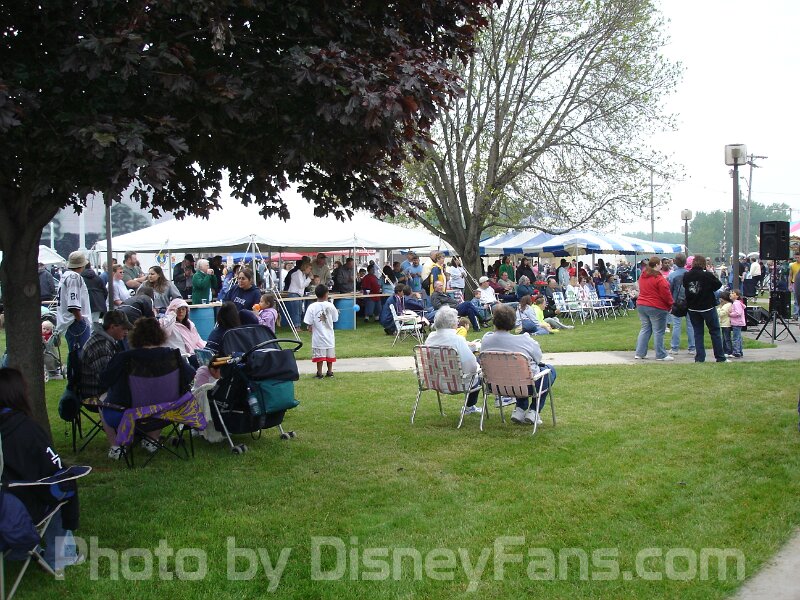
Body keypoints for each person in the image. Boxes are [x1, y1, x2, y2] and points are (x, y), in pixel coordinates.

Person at [0, 368, 84, 572]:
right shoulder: (25, 429)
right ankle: (61, 557)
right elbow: (54, 470)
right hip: (15, 510)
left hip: (8, 503)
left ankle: (22, 551)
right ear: (18, 393)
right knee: (62, 486)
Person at [100, 317, 196, 453]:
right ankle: (152, 440)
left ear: (135, 336)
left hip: (130, 415)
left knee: (102, 400)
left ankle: (117, 447)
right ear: (160, 335)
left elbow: (105, 379)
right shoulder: (173, 355)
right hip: (166, 413)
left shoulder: (123, 357)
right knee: (157, 397)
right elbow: (189, 375)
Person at [480, 304, 556, 425]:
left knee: (519, 375)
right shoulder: (524, 340)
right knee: (549, 370)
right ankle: (534, 411)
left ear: (494, 321)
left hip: (496, 386)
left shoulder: (486, 341)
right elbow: (538, 358)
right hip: (526, 386)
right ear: (513, 322)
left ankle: (520, 409)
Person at [80, 310, 133, 460]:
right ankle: (116, 446)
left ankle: (137, 436)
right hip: (95, 392)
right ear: (112, 327)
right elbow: (107, 378)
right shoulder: (101, 346)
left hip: (102, 387)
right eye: (124, 328)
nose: (126, 332)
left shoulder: (107, 340)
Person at [425, 307, 482, 415]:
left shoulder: (430, 338)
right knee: (479, 371)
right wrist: (479, 367)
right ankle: (469, 406)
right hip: (457, 384)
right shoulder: (457, 339)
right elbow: (471, 367)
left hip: (435, 381)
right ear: (453, 323)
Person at [683, 254, 727, 363]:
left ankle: (700, 357)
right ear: (704, 264)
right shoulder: (707, 275)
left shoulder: (687, 275)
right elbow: (718, 285)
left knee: (698, 333)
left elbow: (685, 286)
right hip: (707, 307)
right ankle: (720, 357)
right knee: (715, 331)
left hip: (693, 307)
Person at [634, 256, 674, 361]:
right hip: (656, 306)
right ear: (656, 265)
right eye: (660, 264)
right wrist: (671, 304)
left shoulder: (643, 276)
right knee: (659, 331)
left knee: (645, 328)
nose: (661, 266)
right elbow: (666, 294)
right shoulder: (659, 278)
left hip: (642, 304)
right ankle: (661, 354)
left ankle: (640, 353)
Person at [56, 250, 92, 354]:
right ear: (82, 265)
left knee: (74, 354)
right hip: (75, 321)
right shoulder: (74, 277)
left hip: (69, 321)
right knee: (81, 354)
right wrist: (81, 320)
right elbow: (73, 303)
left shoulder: (65, 276)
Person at [304, 284, 339, 378]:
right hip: (329, 336)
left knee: (319, 357)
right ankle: (330, 372)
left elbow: (308, 321)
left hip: (318, 337)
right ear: (326, 294)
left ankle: (319, 373)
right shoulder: (331, 305)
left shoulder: (312, 306)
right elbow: (335, 319)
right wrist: (336, 312)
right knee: (330, 356)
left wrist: (309, 327)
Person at [667, 253, 695, 356]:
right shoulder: (690, 274)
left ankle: (674, 348)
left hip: (677, 302)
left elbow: (669, 290)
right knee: (690, 325)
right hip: (689, 302)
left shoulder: (672, 275)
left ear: (675, 262)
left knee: (676, 325)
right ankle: (692, 347)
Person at [286, 262, 312, 327]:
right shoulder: (298, 274)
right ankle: (296, 326)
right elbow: (301, 285)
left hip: (298, 294)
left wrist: (308, 279)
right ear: (305, 268)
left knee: (299, 311)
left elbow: (304, 285)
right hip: (294, 293)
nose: (310, 270)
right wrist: (309, 279)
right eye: (309, 268)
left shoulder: (303, 275)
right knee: (296, 311)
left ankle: (298, 325)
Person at [728, 290, 746, 358]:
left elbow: (738, 313)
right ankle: (739, 351)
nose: (730, 294)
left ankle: (736, 352)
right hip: (738, 322)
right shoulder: (737, 303)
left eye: (733, 293)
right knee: (738, 337)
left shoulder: (736, 303)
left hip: (737, 322)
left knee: (735, 338)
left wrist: (730, 314)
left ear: (737, 296)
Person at [717, 291, 734, 358]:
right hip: (723, 323)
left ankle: (729, 351)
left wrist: (719, 309)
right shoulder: (725, 305)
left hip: (726, 324)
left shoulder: (727, 305)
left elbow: (721, 314)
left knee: (727, 338)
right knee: (724, 338)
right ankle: (725, 351)